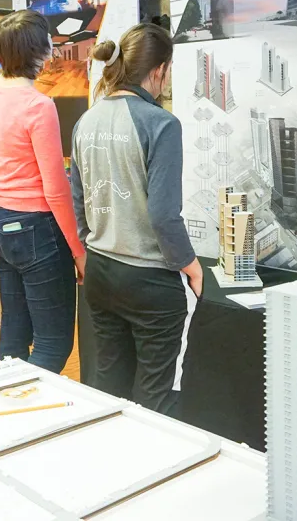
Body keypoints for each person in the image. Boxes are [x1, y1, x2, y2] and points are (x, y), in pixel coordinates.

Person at [70, 23, 202, 416]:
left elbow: (78, 200)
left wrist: (88, 247)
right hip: (150, 281)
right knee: (157, 394)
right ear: (159, 70)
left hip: (101, 273)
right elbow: (163, 214)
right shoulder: (161, 123)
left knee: (108, 384)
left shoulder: (86, 121)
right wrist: (190, 265)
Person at [0, 10, 84, 373]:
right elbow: (55, 189)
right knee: (53, 345)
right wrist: (78, 250)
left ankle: (5, 412)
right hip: (37, 230)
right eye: (48, 42)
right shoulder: (39, 106)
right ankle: (31, 418)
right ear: (38, 50)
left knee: (13, 337)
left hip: (0, 222)